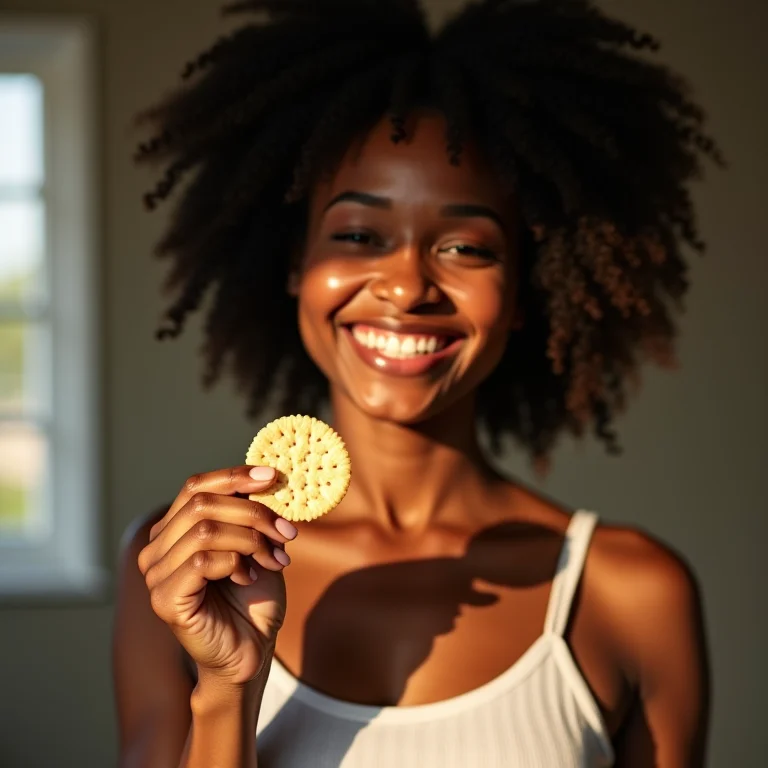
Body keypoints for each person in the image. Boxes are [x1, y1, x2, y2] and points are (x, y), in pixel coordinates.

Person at [113, 1, 720, 766]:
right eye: (360, 235)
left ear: (526, 294)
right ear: (295, 266)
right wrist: (227, 689)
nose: (406, 286)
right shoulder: (186, 563)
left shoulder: (632, 591)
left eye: (467, 246)